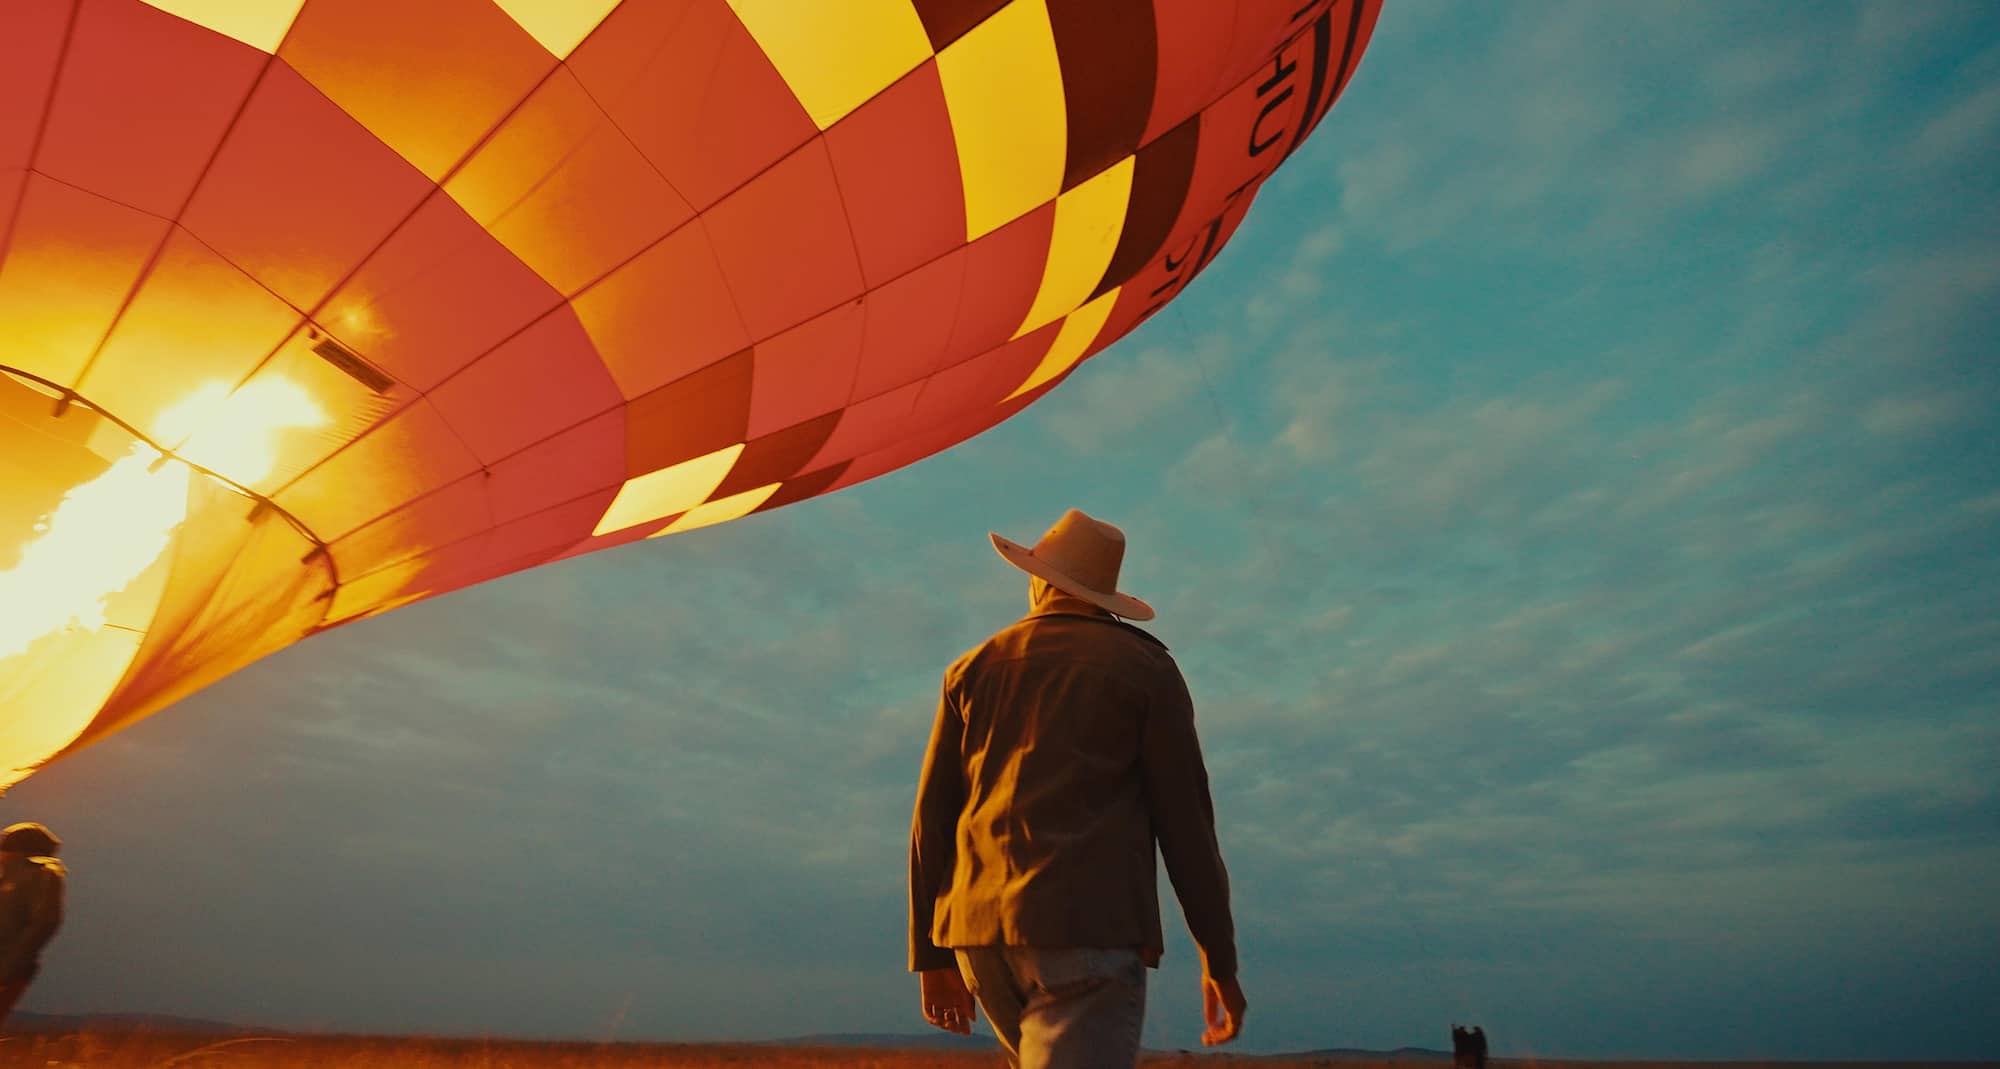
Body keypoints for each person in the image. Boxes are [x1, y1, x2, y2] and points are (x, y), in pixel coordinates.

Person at [908, 509, 1243, 1068]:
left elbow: (932, 820)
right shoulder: (1147, 669)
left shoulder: (969, 669)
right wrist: (1220, 961)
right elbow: (1187, 827)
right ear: (1101, 596)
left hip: (976, 935)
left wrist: (931, 955)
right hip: (1086, 931)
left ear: (1039, 581)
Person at [0, 822, 65, 1028]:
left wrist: (9, 966)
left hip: (12, 967)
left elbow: (44, 923)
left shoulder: (41, 875)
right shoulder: (8, 877)